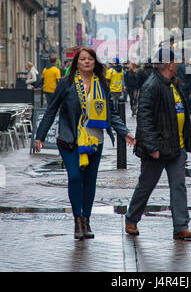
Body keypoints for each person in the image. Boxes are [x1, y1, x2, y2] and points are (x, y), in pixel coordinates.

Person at [35, 47, 135, 240]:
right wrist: (40, 136)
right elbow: (51, 110)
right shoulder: (66, 83)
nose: (87, 62)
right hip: (70, 139)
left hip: (95, 140)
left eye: (90, 59)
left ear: (95, 62)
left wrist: (125, 133)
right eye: (83, 59)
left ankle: (86, 221)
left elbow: (111, 112)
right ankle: (78, 220)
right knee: (75, 177)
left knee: (89, 181)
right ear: (77, 63)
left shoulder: (102, 84)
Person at [125, 47, 191, 241]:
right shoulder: (152, 85)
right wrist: (152, 146)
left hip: (176, 147)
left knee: (178, 186)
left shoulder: (172, 83)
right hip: (157, 148)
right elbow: (144, 118)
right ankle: (131, 219)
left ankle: (181, 227)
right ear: (169, 64)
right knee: (146, 185)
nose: (179, 65)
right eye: (176, 62)